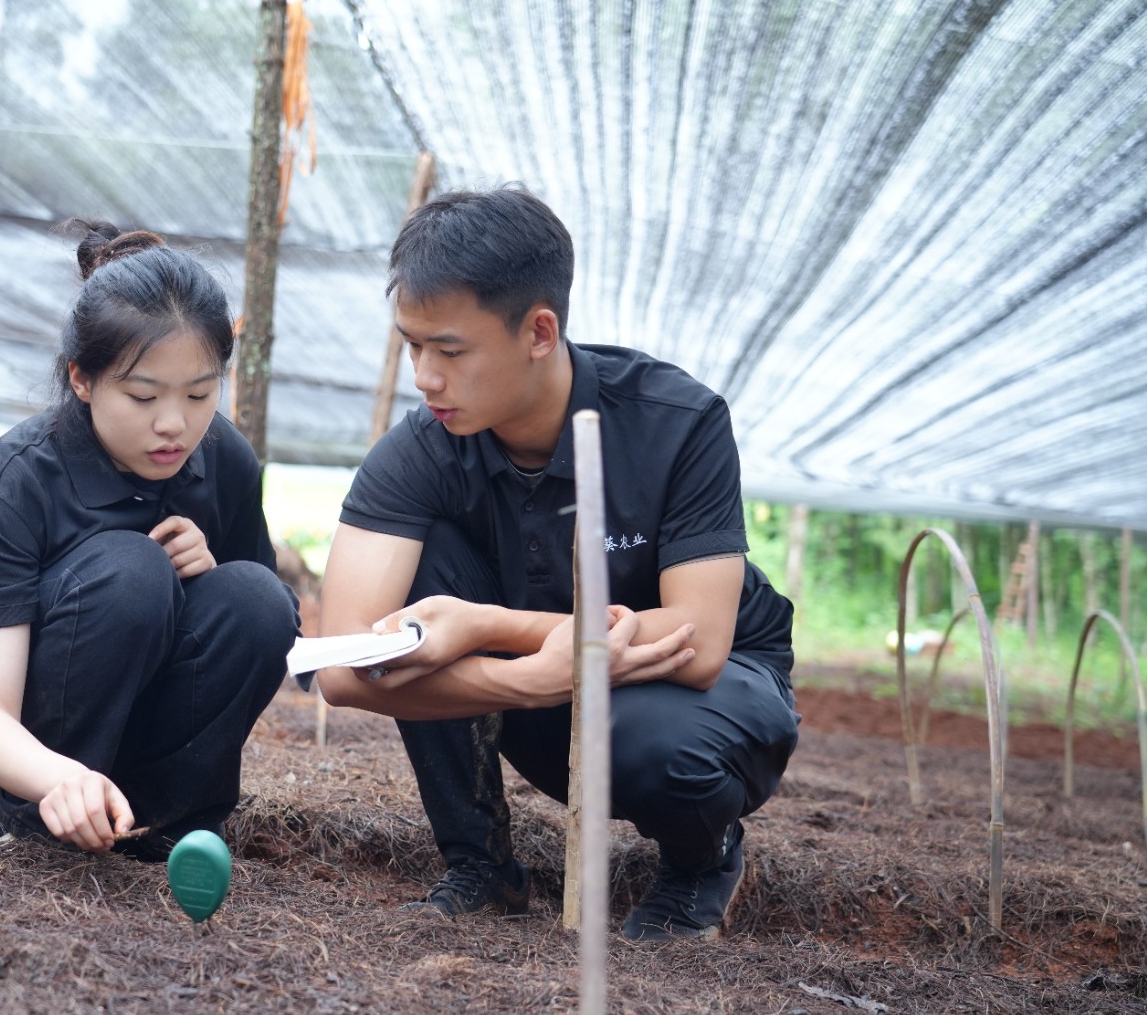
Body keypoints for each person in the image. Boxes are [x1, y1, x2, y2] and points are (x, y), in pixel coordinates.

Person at [317, 187, 799, 942]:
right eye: (412, 345)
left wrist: (486, 625)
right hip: (546, 691)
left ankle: (701, 861)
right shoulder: (421, 452)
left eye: (449, 350)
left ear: (539, 331)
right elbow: (344, 668)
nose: (424, 377)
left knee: (662, 744)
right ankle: (481, 865)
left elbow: (698, 646)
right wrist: (524, 678)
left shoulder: (677, 423)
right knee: (403, 612)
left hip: (707, 691)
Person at [0, 221, 299, 860]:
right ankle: (21, 827)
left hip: (117, 716)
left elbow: (263, 629)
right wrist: (56, 778)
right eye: (142, 395)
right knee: (132, 571)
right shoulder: (17, 477)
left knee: (256, 599)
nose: (173, 423)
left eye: (200, 393)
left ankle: (159, 826)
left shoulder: (224, 461)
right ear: (82, 380)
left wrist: (212, 572)